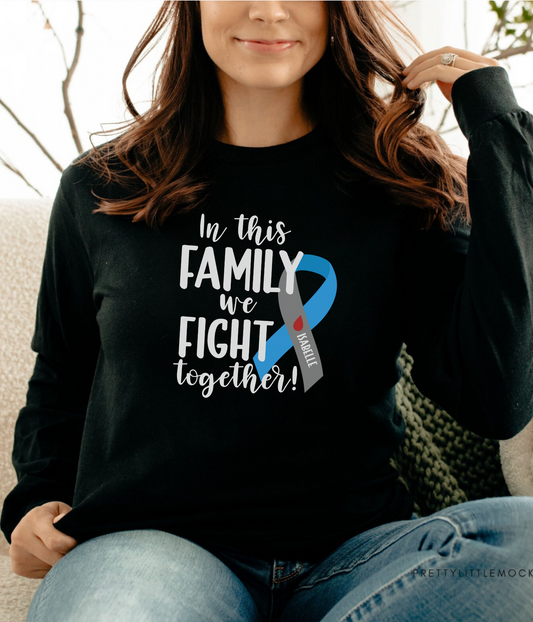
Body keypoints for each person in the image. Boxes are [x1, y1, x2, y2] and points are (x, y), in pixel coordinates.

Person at [2, 1, 533, 620]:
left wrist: (498, 129)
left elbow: (498, 396)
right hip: (154, 552)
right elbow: (63, 375)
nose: (268, 10)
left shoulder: (402, 185)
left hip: (358, 564)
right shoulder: (106, 188)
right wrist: (31, 503)